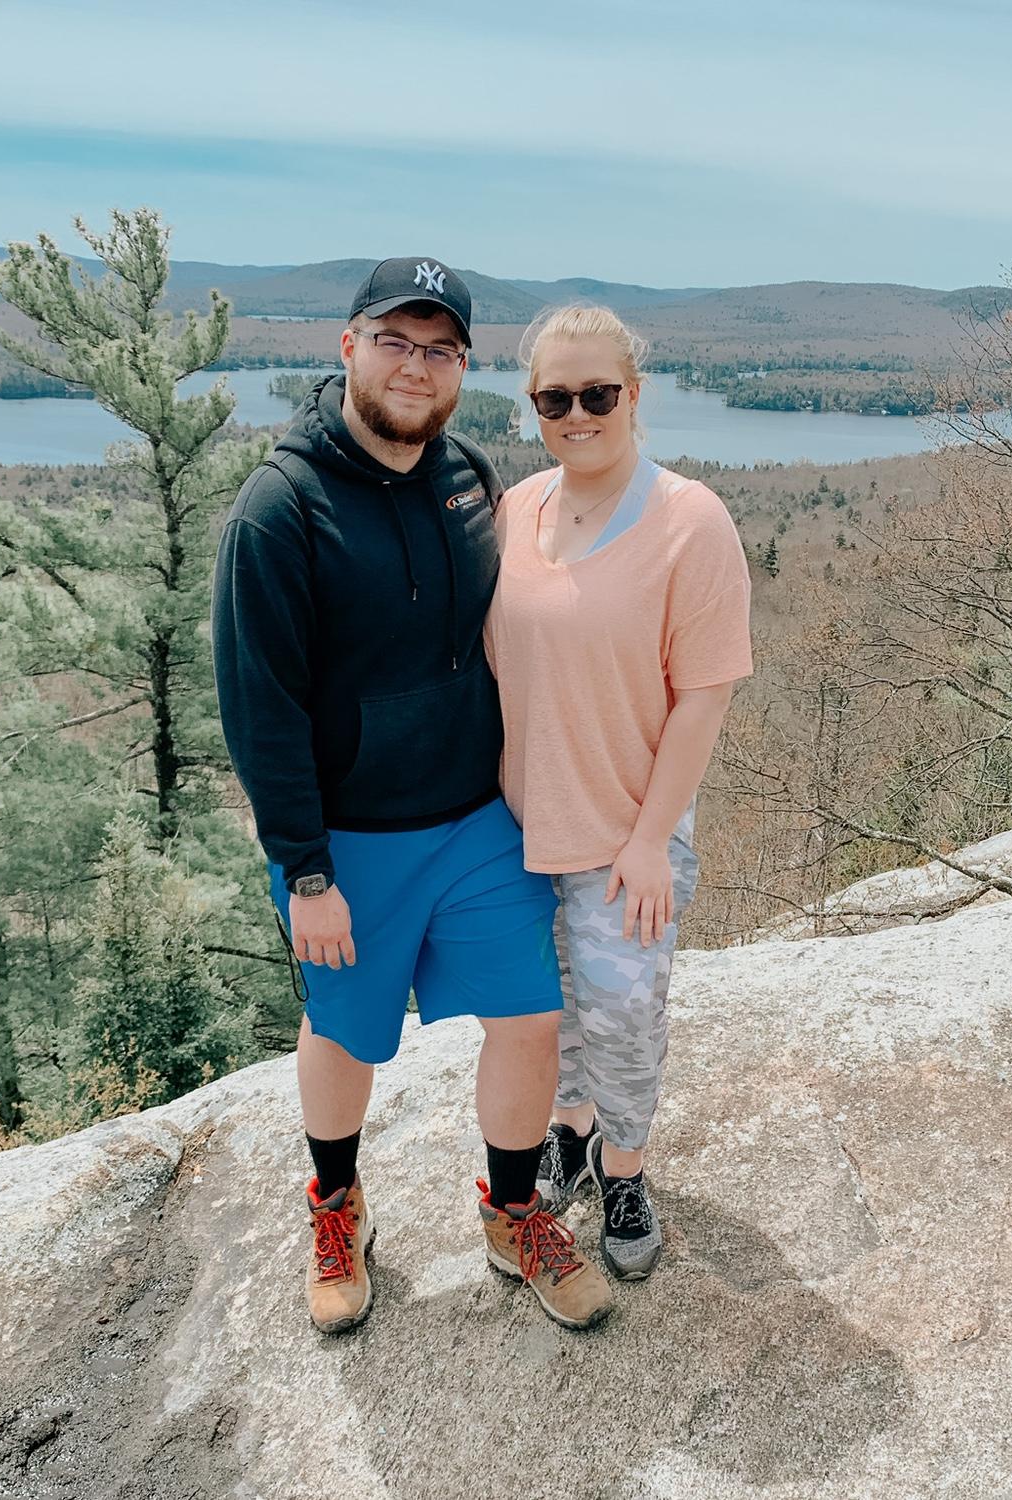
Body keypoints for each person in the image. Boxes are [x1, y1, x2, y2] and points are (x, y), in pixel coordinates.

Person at [211, 259, 612, 1335]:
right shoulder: (279, 511)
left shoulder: (468, 477)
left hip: (479, 823)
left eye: (439, 348)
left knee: (530, 1020)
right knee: (344, 1035)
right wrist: (306, 871)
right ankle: (337, 1208)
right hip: (349, 842)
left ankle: (514, 1210)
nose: (414, 365)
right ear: (347, 347)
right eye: (394, 340)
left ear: (462, 369)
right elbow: (260, 709)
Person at [484, 304, 753, 1280]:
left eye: (599, 394)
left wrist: (648, 842)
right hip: (518, 827)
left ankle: (624, 1166)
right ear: (534, 407)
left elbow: (705, 693)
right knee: (548, 1013)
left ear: (635, 396)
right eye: (556, 398)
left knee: (625, 1014)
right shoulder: (517, 510)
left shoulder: (689, 521)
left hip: (626, 831)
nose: (577, 413)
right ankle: (569, 1124)